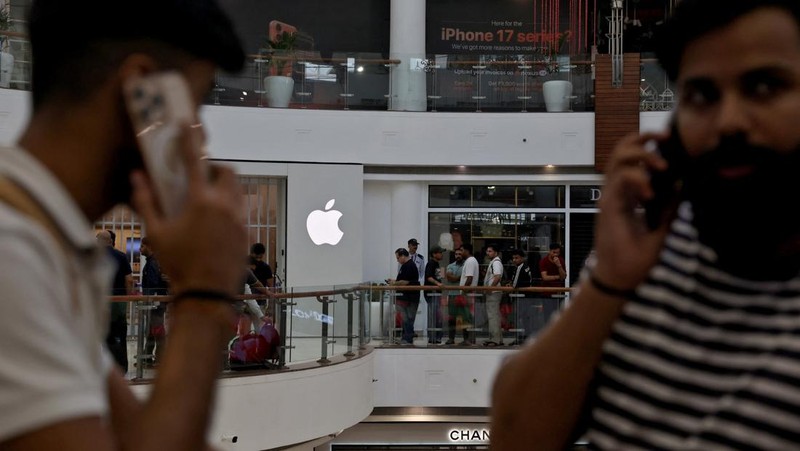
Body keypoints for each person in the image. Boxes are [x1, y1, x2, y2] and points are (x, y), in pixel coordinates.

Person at [491, 1, 800, 449]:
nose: (729, 121)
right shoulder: (651, 244)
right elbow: (514, 438)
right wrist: (610, 282)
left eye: (765, 86)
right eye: (701, 96)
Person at [0, 0, 248, 448]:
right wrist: (205, 294)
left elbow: (139, 438)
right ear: (140, 91)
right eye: (195, 104)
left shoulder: (45, 242)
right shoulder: (10, 249)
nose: (200, 136)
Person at [97, 229, 133, 374]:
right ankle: (122, 367)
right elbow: (129, 280)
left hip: (102, 304)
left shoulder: (96, 257)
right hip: (119, 303)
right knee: (120, 335)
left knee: (104, 336)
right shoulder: (121, 256)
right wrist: (128, 299)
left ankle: (105, 369)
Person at [140, 236, 169, 366]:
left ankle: (160, 358)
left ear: (149, 247)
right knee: (152, 330)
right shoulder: (153, 262)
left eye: (142, 246)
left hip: (155, 303)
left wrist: (150, 298)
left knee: (157, 330)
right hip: (154, 302)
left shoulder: (153, 263)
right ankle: (148, 357)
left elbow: (153, 284)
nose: (140, 249)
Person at [387, 248, 420, 345]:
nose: (397, 260)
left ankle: (407, 339)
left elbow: (405, 282)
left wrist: (394, 283)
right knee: (406, 319)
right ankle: (405, 338)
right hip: (406, 297)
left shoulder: (409, 266)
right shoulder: (406, 266)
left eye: (398, 258)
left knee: (408, 319)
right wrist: (395, 281)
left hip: (409, 298)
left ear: (402, 256)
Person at [506, 249, 534, 346]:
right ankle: (524, 338)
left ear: (522, 258)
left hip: (521, 297)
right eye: (513, 258)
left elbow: (514, 284)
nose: (514, 260)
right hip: (526, 297)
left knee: (520, 318)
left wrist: (508, 288)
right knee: (525, 318)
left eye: (516, 258)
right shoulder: (526, 267)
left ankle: (521, 338)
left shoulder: (520, 267)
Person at [444, 247, 469, 345]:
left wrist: (456, 278)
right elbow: (450, 277)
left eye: (459, 254)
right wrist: (461, 277)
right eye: (456, 254)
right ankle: (451, 338)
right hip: (452, 295)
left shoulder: (466, 266)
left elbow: (468, 278)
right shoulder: (450, 265)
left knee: (464, 318)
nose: (458, 256)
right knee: (452, 318)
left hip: (462, 295)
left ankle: (466, 339)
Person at [538, 242, 566, 326]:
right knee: (548, 315)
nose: (556, 255)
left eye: (558, 253)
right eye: (554, 252)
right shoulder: (544, 261)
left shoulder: (560, 260)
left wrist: (559, 266)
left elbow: (564, 276)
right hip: (547, 293)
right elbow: (545, 277)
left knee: (559, 315)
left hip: (558, 292)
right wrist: (557, 277)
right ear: (550, 251)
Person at [482, 244, 504, 347]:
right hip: (493, 291)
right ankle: (496, 338)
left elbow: (497, 276)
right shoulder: (493, 262)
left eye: (490, 251)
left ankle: (495, 339)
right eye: (487, 251)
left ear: (495, 252)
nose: (488, 253)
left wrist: (490, 288)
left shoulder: (496, 263)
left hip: (494, 292)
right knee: (493, 316)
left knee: (493, 316)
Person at [423, 245, 445, 345]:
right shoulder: (431, 263)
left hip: (436, 293)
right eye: (440, 252)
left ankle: (437, 336)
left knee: (437, 315)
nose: (441, 254)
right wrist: (438, 284)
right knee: (434, 315)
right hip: (432, 293)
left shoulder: (437, 264)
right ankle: (433, 337)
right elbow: (429, 277)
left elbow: (439, 276)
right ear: (434, 254)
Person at [459, 243, 480, 345]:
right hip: (468, 293)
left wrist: (463, 292)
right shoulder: (470, 261)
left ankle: (468, 339)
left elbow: (469, 278)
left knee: (467, 317)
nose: (461, 253)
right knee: (466, 317)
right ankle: (468, 339)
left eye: (462, 250)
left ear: (467, 251)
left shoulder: (470, 261)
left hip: (468, 293)